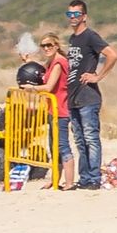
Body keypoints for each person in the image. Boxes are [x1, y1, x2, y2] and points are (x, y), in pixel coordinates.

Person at [65, 0, 117, 191]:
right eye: (69, 14)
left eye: (76, 14)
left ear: (84, 16)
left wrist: (98, 76)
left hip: (88, 96)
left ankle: (94, 178)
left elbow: (112, 55)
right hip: (73, 97)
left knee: (90, 137)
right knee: (80, 139)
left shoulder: (90, 36)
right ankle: (85, 177)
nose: (73, 18)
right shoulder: (73, 39)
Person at [19, 32, 74, 190]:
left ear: (56, 46)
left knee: (62, 146)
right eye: (43, 46)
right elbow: (41, 70)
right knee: (53, 145)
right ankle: (55, 179)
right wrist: (28, 61)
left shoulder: (59, 62)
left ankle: (69, 182)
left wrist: (32, 88)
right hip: (52, 109)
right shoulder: (51, 62)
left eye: (49, 45)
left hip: (60, 109)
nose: (46, 48)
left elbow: (49, 86)